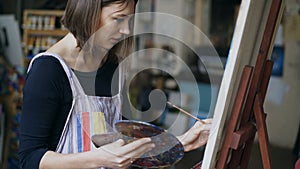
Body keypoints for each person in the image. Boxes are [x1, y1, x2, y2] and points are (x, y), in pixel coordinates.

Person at [18, 0, 212, 169]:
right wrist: (97, 159)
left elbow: (127, 146)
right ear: (89, 11)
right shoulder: (49, 69)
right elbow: (30, 159)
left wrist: (180, 142)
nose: (126, 30)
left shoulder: (114, 67)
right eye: (118, 19)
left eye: (129, 20)